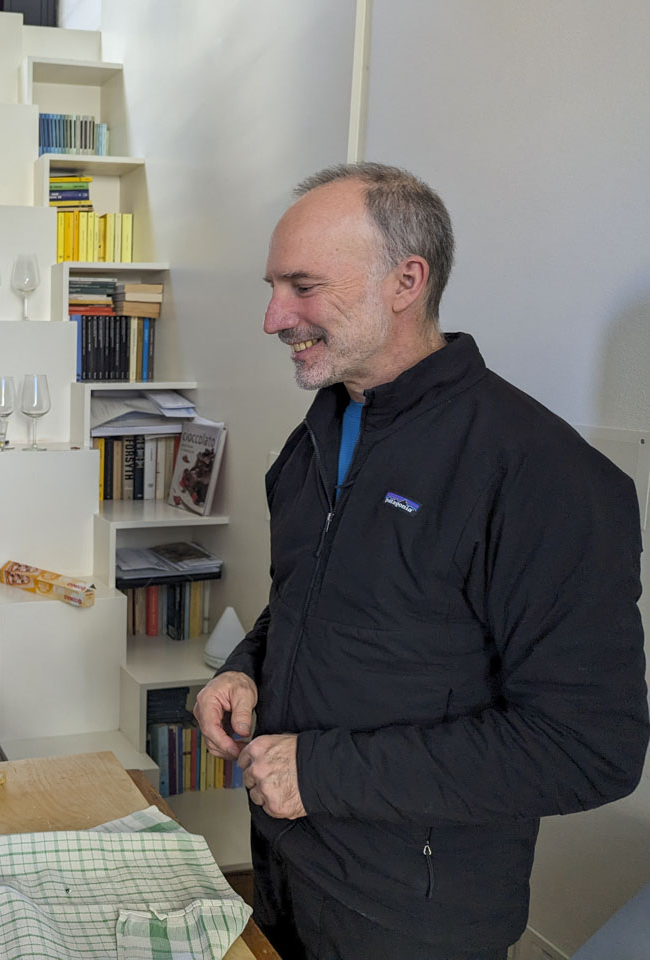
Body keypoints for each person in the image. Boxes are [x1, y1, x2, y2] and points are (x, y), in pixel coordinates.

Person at [194, 163, 648, 959]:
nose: (273, 317)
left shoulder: (542, 475)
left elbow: (589, 748)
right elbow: (313, 603)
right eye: (272, 286)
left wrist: (322, 775)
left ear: (406, 280)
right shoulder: (315, 438)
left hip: (412, 918)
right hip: (283, 873)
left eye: (302, 286)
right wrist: (244, 668)